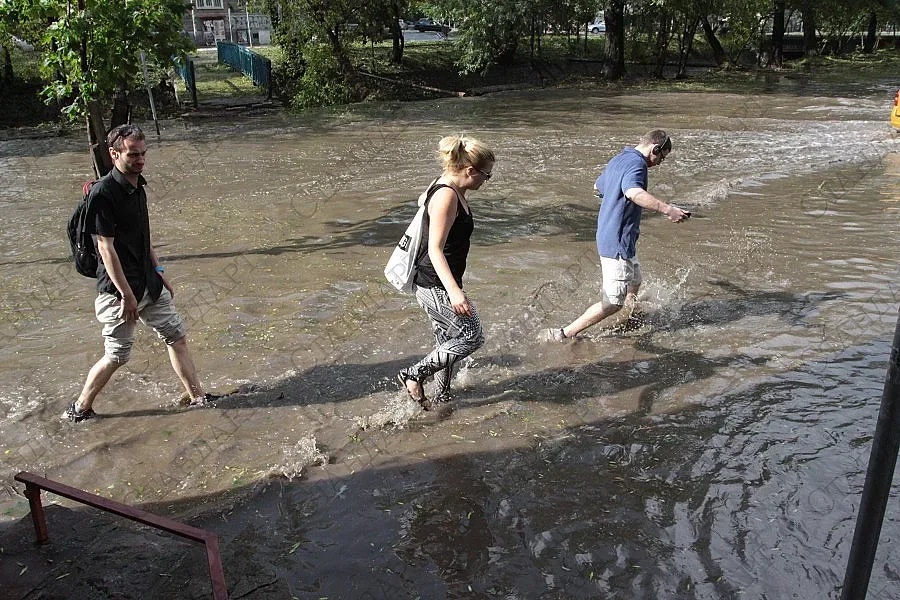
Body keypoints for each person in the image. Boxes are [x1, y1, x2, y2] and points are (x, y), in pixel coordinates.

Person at [66, 124, 219, 422]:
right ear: (114, 154)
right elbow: (105, 248)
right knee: (117, 355)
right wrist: (127, 295)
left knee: (177, 336)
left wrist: (159, 271)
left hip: (148, 281)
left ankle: (198, 399)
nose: (140, 160)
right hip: (119, 292)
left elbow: (143, 236)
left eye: (143, 154)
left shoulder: (138, 185)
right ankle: (79, 409)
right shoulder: (103, 193)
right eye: (133, 155)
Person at [548, 129, 690, 341]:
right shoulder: (638, 165)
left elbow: (598, 186)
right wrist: (668, 209)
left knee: (635, 280)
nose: (660, 163)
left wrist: (614, 201)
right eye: (662, 157)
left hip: (618, 236)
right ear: (655, 148)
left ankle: (630, 313)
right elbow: (633, 192)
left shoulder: (620, 158)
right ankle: (563, 334)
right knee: (613, 302)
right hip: (616, 241)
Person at [398, 135, 495, 410]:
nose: (486, 181)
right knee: (472, 336)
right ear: (470, 171)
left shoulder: (452, 187)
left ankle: (441, 398)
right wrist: (454, 292)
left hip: (441, 281)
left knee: (447, 341)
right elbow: (435, 249)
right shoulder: (446, 195)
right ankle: (413, 374)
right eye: (486, 175)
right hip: (434, 283)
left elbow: (425, 205)